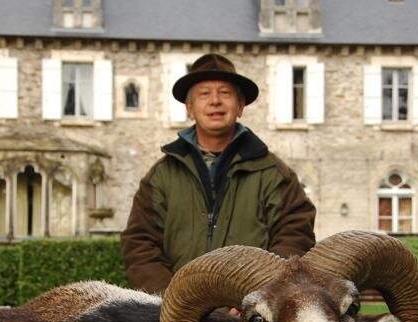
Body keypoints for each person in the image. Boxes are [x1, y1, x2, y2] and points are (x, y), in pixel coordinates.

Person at [121, 53, 316, 293]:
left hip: (252, 318)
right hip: (179, 317)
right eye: (204, 94)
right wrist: (173, 300)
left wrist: (258, 294)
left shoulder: (273, 173)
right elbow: (139, 244)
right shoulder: (162, 175)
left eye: (225, 93)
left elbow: (295, 237)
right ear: (190, 108)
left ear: (241, 106)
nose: (215, 101)